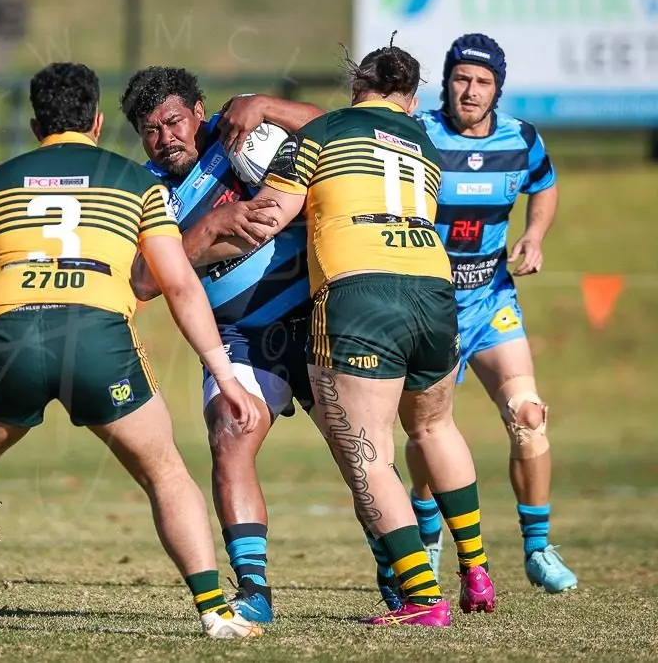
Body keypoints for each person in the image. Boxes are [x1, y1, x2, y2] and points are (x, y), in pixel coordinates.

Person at [0, 62, 263, 639]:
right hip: (98, 338)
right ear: (99, 121)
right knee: (166, 473)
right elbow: (180, 285)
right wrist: (225, 377)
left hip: (10, 338)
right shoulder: (138, 182)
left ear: (35, 125)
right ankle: (215, 611)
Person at [202, 40, 499, 626]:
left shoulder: (320, 134)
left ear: (355, 87)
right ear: (410, 100)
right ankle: (477, 568)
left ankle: (421, 600)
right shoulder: (424, 143)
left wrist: (184, 251)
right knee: (435, 427)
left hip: (361, 294)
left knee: (370, 456)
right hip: (435, 287)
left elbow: (265, 221)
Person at [119, 67, 323, 624]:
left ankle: (403, 577)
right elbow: (139, 281)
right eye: (150, 129)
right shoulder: (142, 189)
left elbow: (337, 132)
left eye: (174, 121)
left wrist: (267, 103)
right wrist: (207, 231)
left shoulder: (241, 137)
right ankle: (254, 592)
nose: (165, 137)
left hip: (314, 315)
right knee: (230, 434)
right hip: (238, 336)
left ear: (199, 111)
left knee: (361, 452)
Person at [401, 34, 576, 593]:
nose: (470, 90)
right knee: (427, 429)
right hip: (429, 308)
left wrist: (535, 233)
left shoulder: (521, 139)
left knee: (528, 415)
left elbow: (544, 185)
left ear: (497, 87)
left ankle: (538, 548)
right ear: (446, 81)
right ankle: (427, 539)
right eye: (460, 78)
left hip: (492, 303)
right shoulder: (419, 135)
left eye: (482, 81)